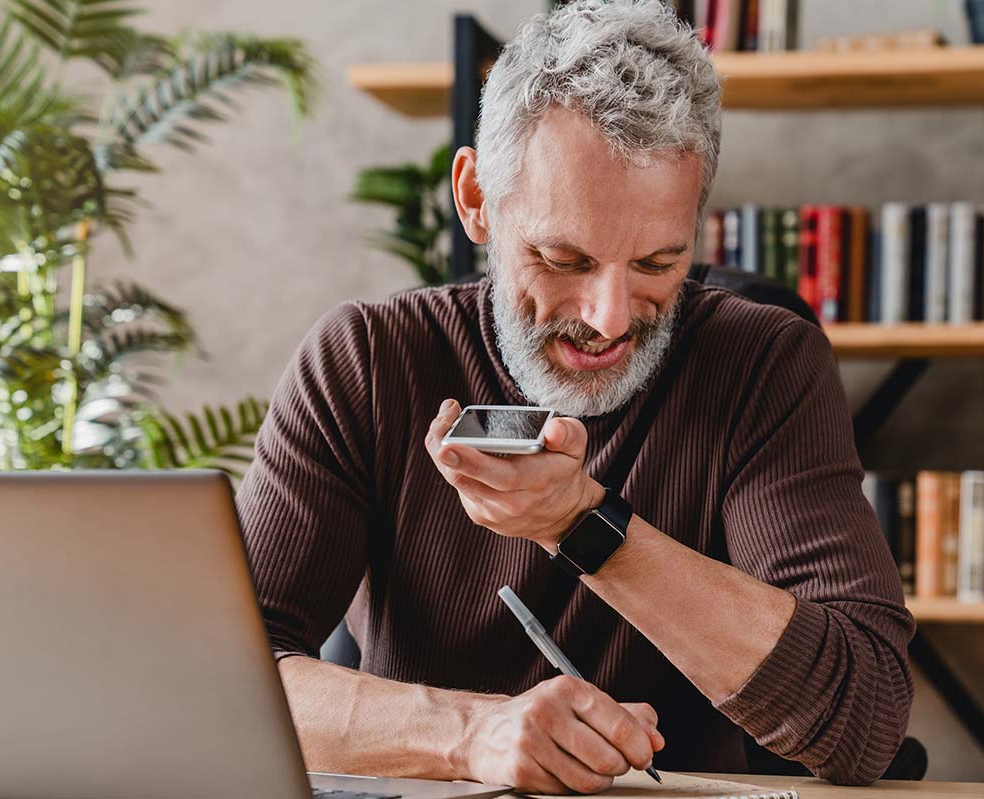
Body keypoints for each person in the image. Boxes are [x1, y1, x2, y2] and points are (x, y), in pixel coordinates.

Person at [235, 0, 914, 792]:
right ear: (477, 199)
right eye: (564, 258)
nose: (612, 318)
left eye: (659, 263)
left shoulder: (762, 364)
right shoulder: (367, 361)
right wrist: (472, 734)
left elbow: (864, 721)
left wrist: (582, 525)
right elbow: (220, 682)